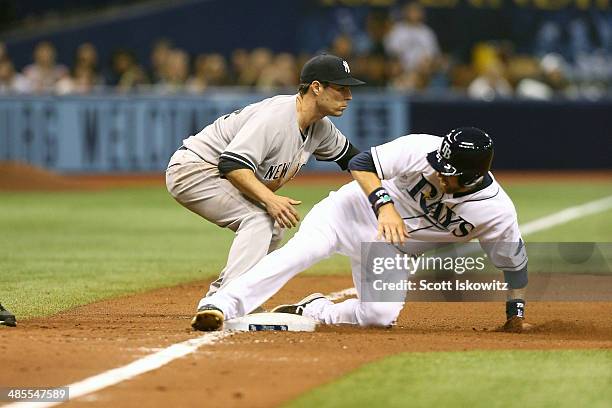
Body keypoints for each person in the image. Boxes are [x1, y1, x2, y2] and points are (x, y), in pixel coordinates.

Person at [192, 127, 529, 333]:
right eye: (440, 164)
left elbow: (514, 265)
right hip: (349, 212)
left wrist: (515, 315)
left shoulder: (495, 212)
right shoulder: (421, 148)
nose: (439, 172)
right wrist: (385, 205)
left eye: (449, 171)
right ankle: (223, 305)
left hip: (391, 248)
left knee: (379, 316)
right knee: (299, 253)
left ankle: (314, 309)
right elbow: (362, 163)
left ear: (471, 177)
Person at [166, 54, 365, 326]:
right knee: (260, 217)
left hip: (218, 172)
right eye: (341, 88)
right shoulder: (277, 117)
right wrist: (270, 200)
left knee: (273, 226)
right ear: (316, 87)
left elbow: (359, 162)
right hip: (195, 168)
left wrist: (401, 179)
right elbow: (231, 163)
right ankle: (226, 300)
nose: (348, 95)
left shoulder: (321, 128)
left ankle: (224, 297)